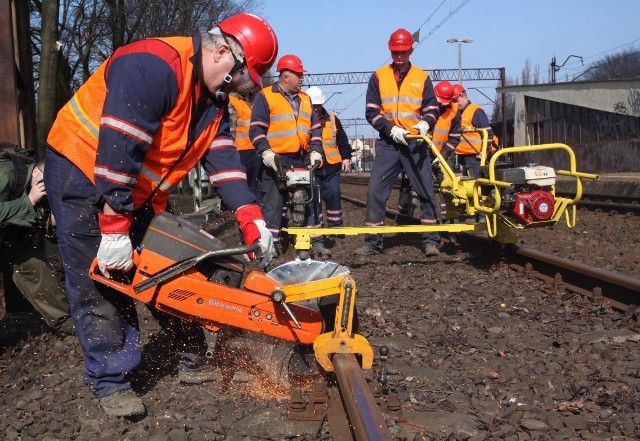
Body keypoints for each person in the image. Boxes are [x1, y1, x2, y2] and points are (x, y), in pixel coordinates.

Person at [44, 13, 277, 417]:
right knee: (100, 274)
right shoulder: (153, 64)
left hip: (133, 187)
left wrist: (251, 215)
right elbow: (120, 147)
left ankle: (189, 356)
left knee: (173, 262)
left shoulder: (213, 102)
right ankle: (111, 380)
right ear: (223, 51)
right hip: (82, 169)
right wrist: (115, 229)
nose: (237, 88)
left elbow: (223, 162)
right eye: (240, 78)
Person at [357, 28, 441, 257]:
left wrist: (425, 123)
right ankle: (372, 241)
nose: (399, 56)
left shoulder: (422, 78)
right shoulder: (378, 77)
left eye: (403, 52)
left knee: (425, 190)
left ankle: (431, 240)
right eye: (395, 52)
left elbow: (433, 108)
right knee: (375, 191)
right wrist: (389, 128)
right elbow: (371, 112)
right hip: (389, 143)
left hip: (415, 143)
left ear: (411, 51)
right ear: (390, 50)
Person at [249, 54, 328, 259]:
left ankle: (311, 242)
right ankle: (270, 246)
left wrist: (316, 150)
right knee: (272, 204)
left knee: (309, 202)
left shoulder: (305, 99)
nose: (302, 79)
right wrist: (266, 152)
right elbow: (256, 130)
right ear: (286, 77)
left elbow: (315, 130)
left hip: (301, 158)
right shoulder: (265, 97)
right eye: (299, 75)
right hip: (276, 160)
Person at [0, 143, 72, 335]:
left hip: (7, 238)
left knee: (34, 266)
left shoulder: (44, 187)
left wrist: (53, 221)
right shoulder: (4, 175)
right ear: (38, 174)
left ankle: (66, 322)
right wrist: (28, 201)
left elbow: (44, 228)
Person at [306, 86, 352, 238]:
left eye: (318, 105)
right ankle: (317, 227)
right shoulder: (303, 120)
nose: (316, 108)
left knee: (333, 193)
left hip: (332, 166)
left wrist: (346, 157)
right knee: (314, 197)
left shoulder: (332, 118)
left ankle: (336, 226)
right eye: (314, 106)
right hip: (312, 167)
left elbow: (342, 140)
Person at [451, 83, 494, 179]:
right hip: (463, 155)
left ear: (464, 97)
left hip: (475, 156)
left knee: (476, 181)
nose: (456, 104)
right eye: (453, 102)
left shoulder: (476, 111)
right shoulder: (457, 113)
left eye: (457, 101)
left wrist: (484, 152)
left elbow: (488, 133)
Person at [229, 90, 262, 200]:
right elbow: (230, 130)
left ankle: (253, 207)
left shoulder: (245, 101)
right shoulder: (232, 101)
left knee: (253, 185)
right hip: (240, 150)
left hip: (252, 149)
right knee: (241, 184)